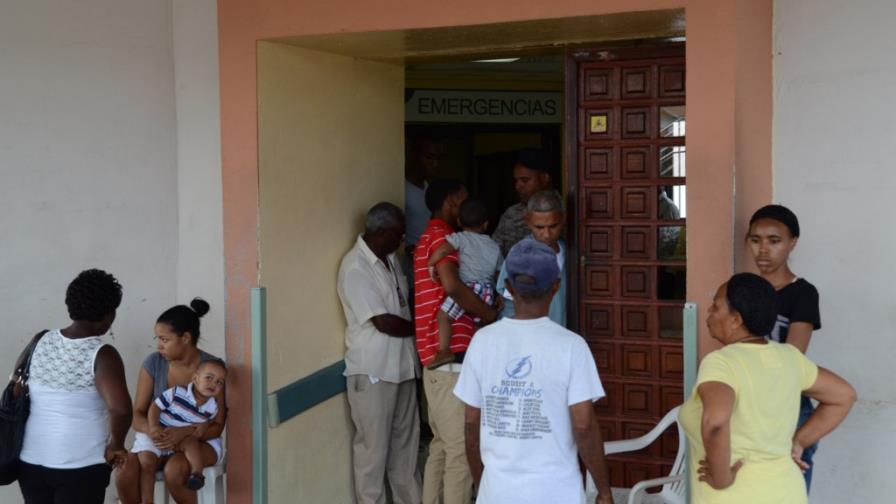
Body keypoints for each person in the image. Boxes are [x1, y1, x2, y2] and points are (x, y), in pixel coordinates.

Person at [453, 240, 614, 504]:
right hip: (557, 493)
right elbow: (583, 425)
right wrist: (604, 491)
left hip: (497, 492)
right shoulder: (572, 346)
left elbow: (471, 424)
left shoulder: (482, 341)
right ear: (556, 286)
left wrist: (483, 485)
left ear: (508, 287)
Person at [679, 273, 856, 503]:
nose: (709, 311)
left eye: (716, 305)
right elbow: (844, 395)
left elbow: (716, 421)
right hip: (788, 493)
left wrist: (721, 478)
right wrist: (799, 441)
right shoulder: (789, 357)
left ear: (736, 319)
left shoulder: (721, 363)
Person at [15, 268, 132, 504]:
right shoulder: (103, 354)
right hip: (80, 464)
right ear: (109, 314)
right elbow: (120, 409)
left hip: (31, 460)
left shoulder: (40, 340)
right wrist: (116, 445)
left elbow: (17, 389)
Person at [414, 180, 499, 504]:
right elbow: (451, 285)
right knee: (461, 454)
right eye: (462, 200)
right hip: (450, 358)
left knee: (441, 447)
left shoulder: (429, 236)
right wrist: (487, 313)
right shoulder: (442, 235)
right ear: (450, 202)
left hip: (435, 358)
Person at [336, 202, 421, 504]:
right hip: (374, 370)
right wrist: (423, 328)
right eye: (399, 233)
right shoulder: (355, 267)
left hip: (403, 366)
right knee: (372, 453)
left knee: (405, 451)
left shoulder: (390, 259)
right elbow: (383, 322)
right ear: (382, 233)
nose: (403, 239)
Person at [115, 299, 226, 504]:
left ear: (185, 338)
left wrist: (184, 433)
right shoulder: (153, 363)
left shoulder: (212, 370)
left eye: (164, 339)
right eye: (158, 339)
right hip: (159, 440)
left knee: (175, 470)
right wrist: (157, 433)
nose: (159, 345)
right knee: (126, 466)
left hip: (198, 444)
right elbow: (137, 414)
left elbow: (217, 426)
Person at [746, 204, 821, 489]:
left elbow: (793, 357)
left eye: (774, 241)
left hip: (788, 407)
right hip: (746, 402)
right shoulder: (741, 291)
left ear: (793, 243)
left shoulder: (802, 293)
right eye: (755, 240)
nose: (763, 250)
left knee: (788, 489)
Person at [427, 199, 503, 369]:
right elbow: (499, 274)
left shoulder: (460, 238)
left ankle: (444, 350)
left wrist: (430, 263)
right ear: (486, 224)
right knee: (478, 325)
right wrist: (499, 294)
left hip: (468, 287)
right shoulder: (495, 246)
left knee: (443, 316)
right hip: (487, 290)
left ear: (459, 222)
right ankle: (478, 356)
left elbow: (444, 250)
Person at [135, 360, 227, 500]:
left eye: (219, 382)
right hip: (160, 433)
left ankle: (197, 474)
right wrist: (154, 427)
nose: (213, 384)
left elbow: (209, 424)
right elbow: (155, 407)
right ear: (195, 378)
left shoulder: (212, 406)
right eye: (209, 378)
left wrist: (204, 425)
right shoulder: (178, 392)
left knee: (192, 443)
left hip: (182, 439)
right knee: (147, 463)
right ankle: (147, 501)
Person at [496, 190, 567, 326]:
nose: (546, 234)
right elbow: (509, 308)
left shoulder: (571, 254)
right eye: (539, 227)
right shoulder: (519, 257)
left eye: (553, 226)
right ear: (527, 221)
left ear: (563, 219)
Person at [404, 135, 444, 306]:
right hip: (412, 278)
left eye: (438, 158)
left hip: (432, 274)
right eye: (429, 157)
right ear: (414, 155)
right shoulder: (402, 189)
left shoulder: (429, 189)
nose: (434, 163)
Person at [492, 148, 554, 256]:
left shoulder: (563, 210)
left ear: (544, 178)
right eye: (516, 181)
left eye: (525, 180)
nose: (518, 186)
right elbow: (494, 253)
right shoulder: (511, 214)